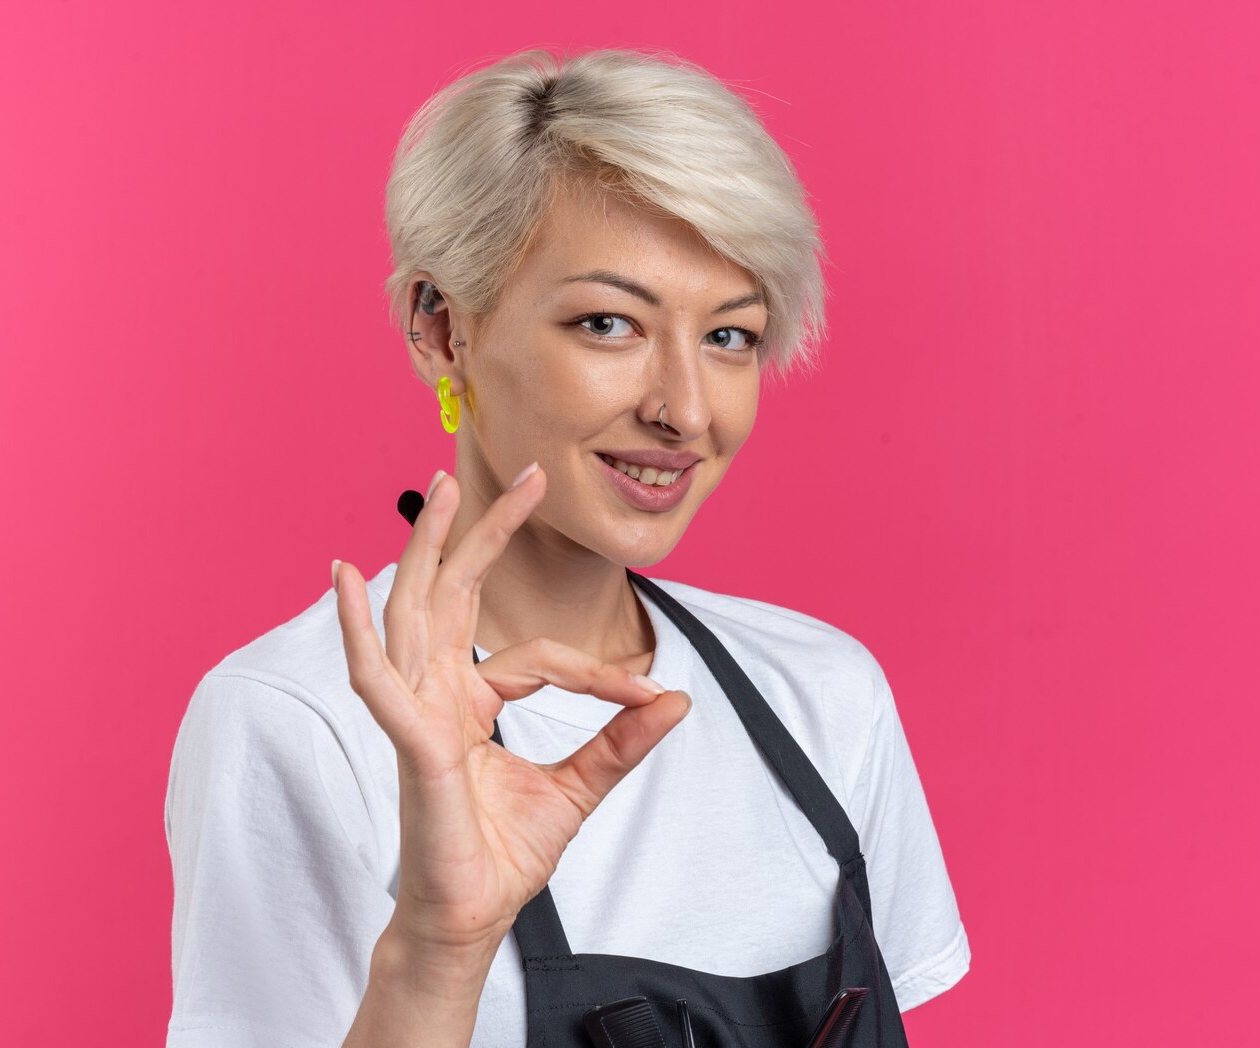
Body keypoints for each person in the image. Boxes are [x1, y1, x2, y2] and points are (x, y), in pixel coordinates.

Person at [165, 47, 970, 1048]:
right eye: (609, 323)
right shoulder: (302, 722)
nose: (682, 409)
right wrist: (440, 947)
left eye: (730, 336)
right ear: (442, 328)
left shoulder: (825, 696)